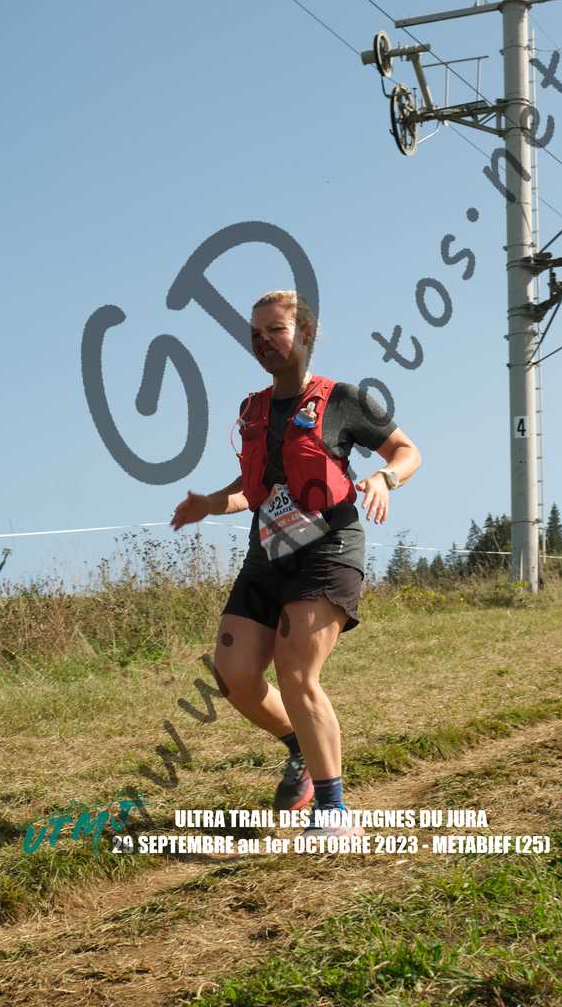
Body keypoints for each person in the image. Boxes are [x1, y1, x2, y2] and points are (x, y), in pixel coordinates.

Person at [171, 289, 421, 838]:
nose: (263, 342)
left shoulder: (343, 399)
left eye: (275, 330)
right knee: (235, 676)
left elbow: (407, 451)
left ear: (305, 334)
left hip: (328, 550)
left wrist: (384, 479)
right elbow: (253, 487)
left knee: (296, 672)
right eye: (255, 334)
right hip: (268, 554)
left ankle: (332, 811)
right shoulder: (252, 410)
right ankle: (299, 748)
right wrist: (209, 503)